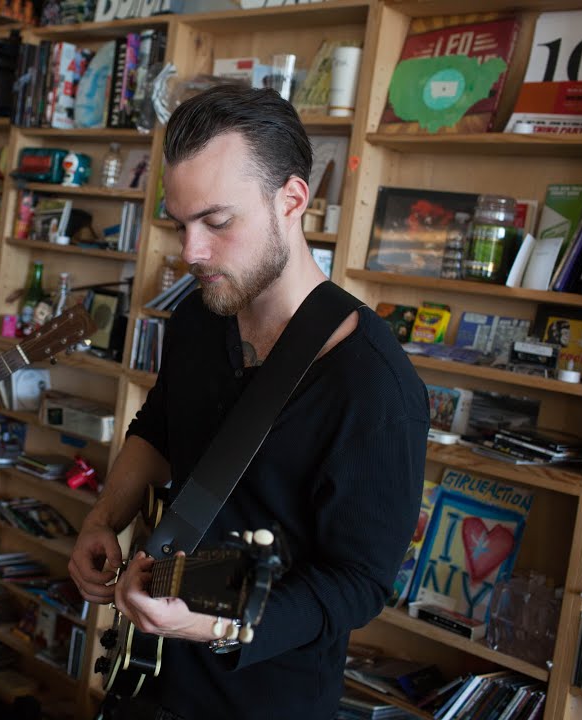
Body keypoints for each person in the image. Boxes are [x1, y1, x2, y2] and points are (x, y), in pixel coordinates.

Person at [67, 84, 429, 720]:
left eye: (217, 221)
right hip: (145, 674)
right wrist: (105, 518)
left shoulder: (375, 387)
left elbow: (358, 584)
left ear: (291, 199)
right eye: (181, 224)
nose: (191, 252)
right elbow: (158, 429)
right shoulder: (200, 319)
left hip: (264, 697)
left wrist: (210, 628)